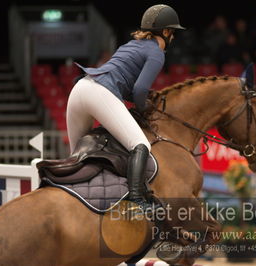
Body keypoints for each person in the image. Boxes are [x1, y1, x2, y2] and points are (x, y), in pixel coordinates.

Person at [67, 4, 185, 211]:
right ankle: (136, 199)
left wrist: (140, 98)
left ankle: (74, 203)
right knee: (141, 145)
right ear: (166, 32)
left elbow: (126, 86)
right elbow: (139, 90)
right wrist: (144, 106)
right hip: (99, 93)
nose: (172, 38)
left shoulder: (131, 45)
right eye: (172, 33)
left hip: (80, 89)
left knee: (77, 158)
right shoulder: (157, 53)